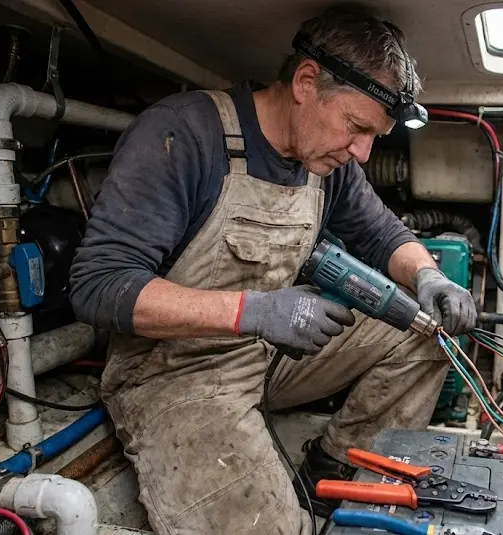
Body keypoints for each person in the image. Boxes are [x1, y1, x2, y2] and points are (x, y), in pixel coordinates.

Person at [68, 6, 477, 535]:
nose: (362, 152)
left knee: (428, 334)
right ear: (307, 82)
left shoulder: (327, 163)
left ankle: (334, 471)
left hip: (270, 357)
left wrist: (429, 277)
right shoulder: (185, 133)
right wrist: (253, 310)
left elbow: (384, 235)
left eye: (374, 136)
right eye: (356, 127)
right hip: (177, 373)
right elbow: (99, 286)